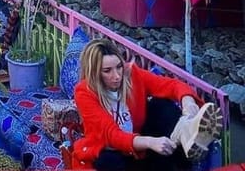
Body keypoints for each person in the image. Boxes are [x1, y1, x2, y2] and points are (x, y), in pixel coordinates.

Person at [72, 39, 221, 170]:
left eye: (119, 67)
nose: (117, 76)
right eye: (107, 71)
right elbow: (112, 136)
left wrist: (187, 102)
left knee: (161, 105)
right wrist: (151, 142)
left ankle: (187, 133)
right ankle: (185, 141)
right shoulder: (84, 92)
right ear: (94, 73)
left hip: (139, 144)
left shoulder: (131, 75)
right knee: (109, 160)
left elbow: (171, 85)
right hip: (110, 150)